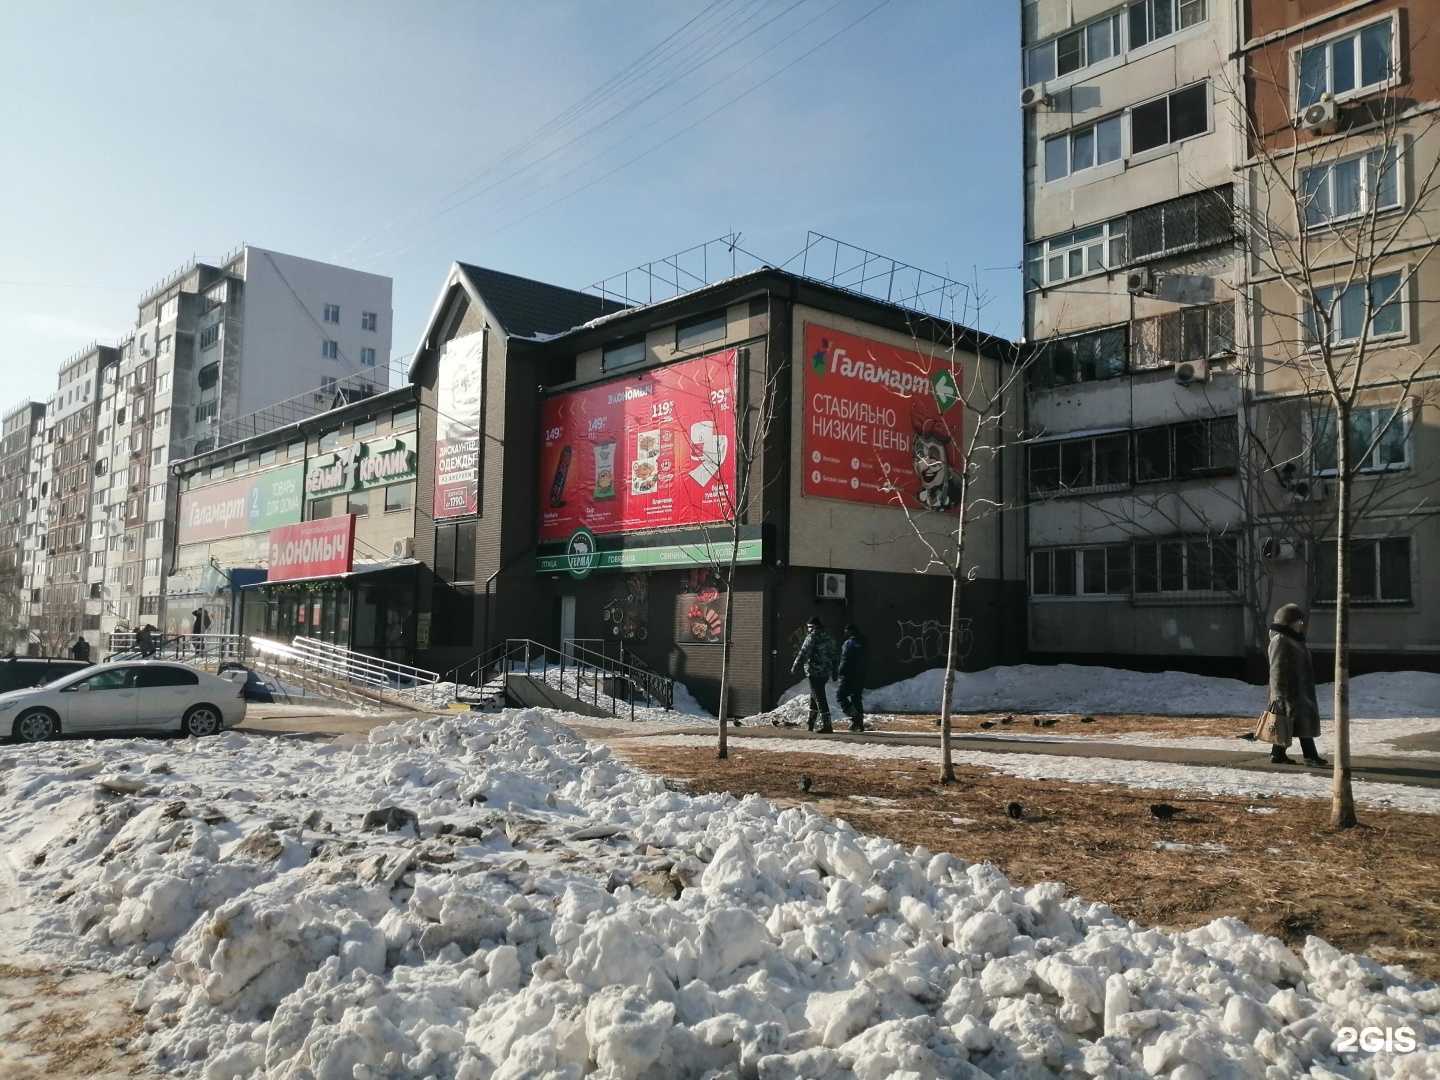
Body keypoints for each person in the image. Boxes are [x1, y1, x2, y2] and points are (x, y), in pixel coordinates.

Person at [1267, 603, 1327, 767]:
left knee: (1291, 724)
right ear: (1288, 622)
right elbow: (1276, 668)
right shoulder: (1280, 640)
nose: (1300, 624)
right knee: (1296, 723)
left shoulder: (1295, 639)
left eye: (1300, 621)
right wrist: (1279, 693)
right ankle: (1310, 756)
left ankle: (1277, 754)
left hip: (1300, 690)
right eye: (1297, 622)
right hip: (1288, 692)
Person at [792, 616, 838, 734]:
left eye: (808, 628)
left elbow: (803, 651)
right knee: (814, 697)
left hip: (814, 671)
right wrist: (834, 671)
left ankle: (827, 725)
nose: (808, 630)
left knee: (819, 697)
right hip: (825, 672)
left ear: (812, 627)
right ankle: (811, 724)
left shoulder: (812, 636)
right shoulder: (828, 637)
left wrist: (795, 666)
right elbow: (834, 655)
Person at [836, 624, 867, 732]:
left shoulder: (848, 644)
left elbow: (845, 660)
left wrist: (839, 672)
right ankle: (859, 724)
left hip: (848, 675)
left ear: (850, 631)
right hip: (861, 675)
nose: (845, 633)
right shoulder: (864, 642)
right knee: (856, 698)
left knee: (840, 696)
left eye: (846, 631)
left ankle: (855, 718)